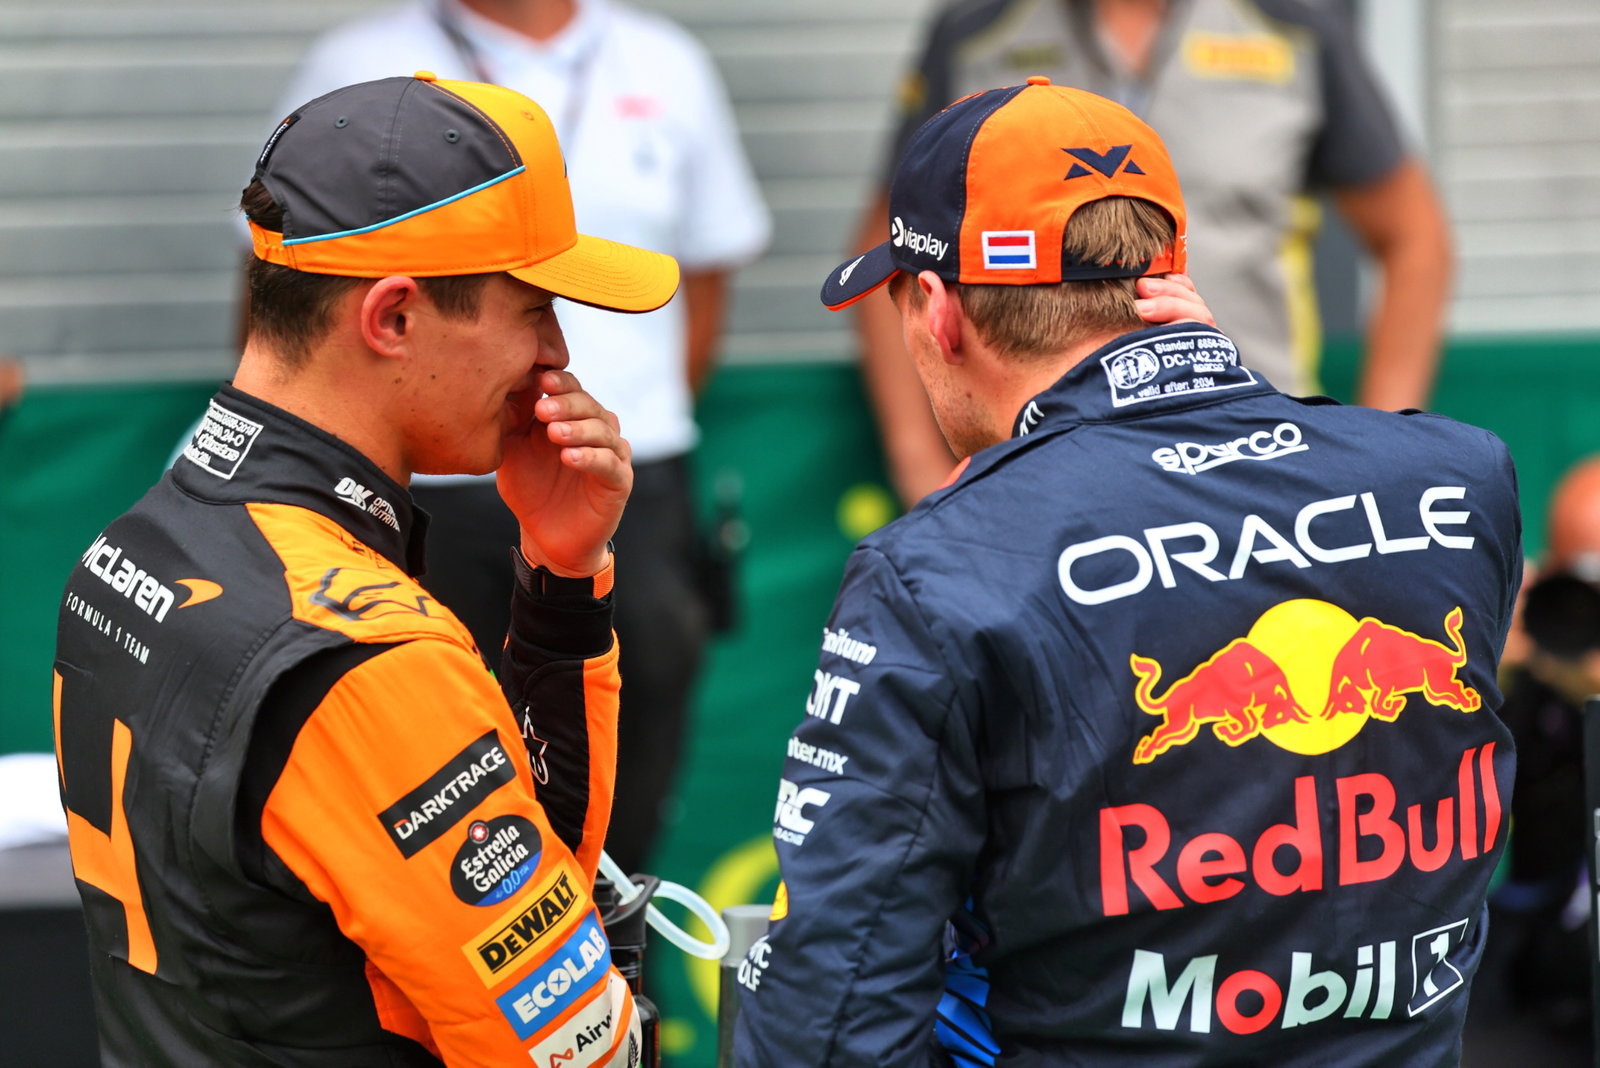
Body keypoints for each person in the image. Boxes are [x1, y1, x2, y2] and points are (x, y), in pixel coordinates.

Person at [734, 79, 1521, 1064]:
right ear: (1167, 277)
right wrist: (1216, 386)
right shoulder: (1458, 484)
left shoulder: (938, 570)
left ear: (936, 311)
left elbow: (834, 1014)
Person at [54, 73, 677, 1064]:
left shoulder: (134, 545)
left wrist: (561, 578)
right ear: (391, 319)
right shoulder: (369, 659)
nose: (557, 353)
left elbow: (526, 887)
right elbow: (573, 1045)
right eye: (533, 308)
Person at [268, 0, 772, 873]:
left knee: (612, 827)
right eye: (536, 309)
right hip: (419, 497)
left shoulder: (666, 61)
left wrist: (594, 445)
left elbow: (706, 281)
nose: (559, 351)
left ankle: (606, 993)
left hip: (624, 487)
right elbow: (289, 292)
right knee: (420, 808)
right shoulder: (357, 67)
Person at [856, 0, 1455, 505]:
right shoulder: (975, 32)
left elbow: (1414, 239)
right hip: (1038, 473)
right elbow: (894, 247)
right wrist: (925, 476)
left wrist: (1376, 465)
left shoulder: (1293, 24)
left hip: (1258, 457)